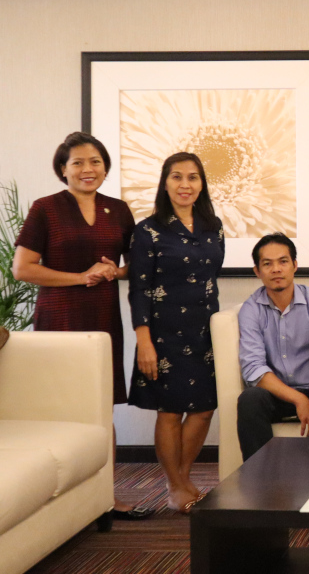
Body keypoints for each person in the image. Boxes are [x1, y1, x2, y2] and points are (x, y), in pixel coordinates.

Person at [12, 132, 150, 519]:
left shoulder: (118, 210)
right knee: (60, 407)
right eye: (77, 163)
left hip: (102, 320)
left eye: (95, 162)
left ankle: (106, 496)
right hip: (59, 319)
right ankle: (59, 498)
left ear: (105, 168)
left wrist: (113, 272)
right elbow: (22, 268)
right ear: (63, 169)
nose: (87, 169)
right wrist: (80, 277)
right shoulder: (46, 208)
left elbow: (134, 267)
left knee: (101, 407)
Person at [127, 152, 224, 514]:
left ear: (202, 184)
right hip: (163, 333)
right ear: (165, 183)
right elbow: (139, 287)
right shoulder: (148, 229)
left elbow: (210, 278)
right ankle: (175, 486)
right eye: (177, 177)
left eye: (193, 177)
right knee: (170, 411)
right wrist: (143, 341)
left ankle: (182, 478)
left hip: (205, 332)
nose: (185, 185)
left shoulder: (213, 225)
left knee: (204, 408)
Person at [237, 233, 309, 460]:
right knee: (250, 400)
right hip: (277, 393)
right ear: (257, 271)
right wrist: (299, 400)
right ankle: (259, 478)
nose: (276, 269)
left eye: (283, 261)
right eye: (267, 264)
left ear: (294, 265)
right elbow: (253, 367)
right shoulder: (251, 310)